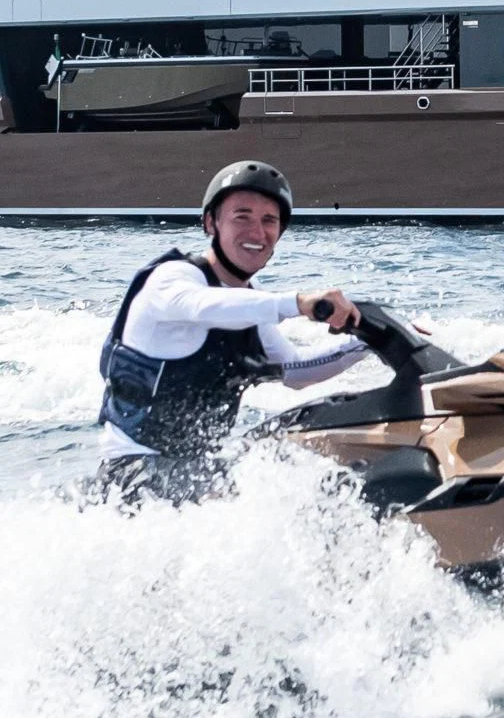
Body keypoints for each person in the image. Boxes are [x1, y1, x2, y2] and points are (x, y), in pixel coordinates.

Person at [95, 159, 365, 500]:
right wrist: (297, 303)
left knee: (307, 464)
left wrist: (369, 342)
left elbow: (297, 370)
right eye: (242, 217)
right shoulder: (173, 279)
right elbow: (203, 307)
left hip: (195, 468)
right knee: (253, 492)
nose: (257, 232)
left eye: (269, 221)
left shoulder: (250, 303)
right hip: (131, 473)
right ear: (211, 223)